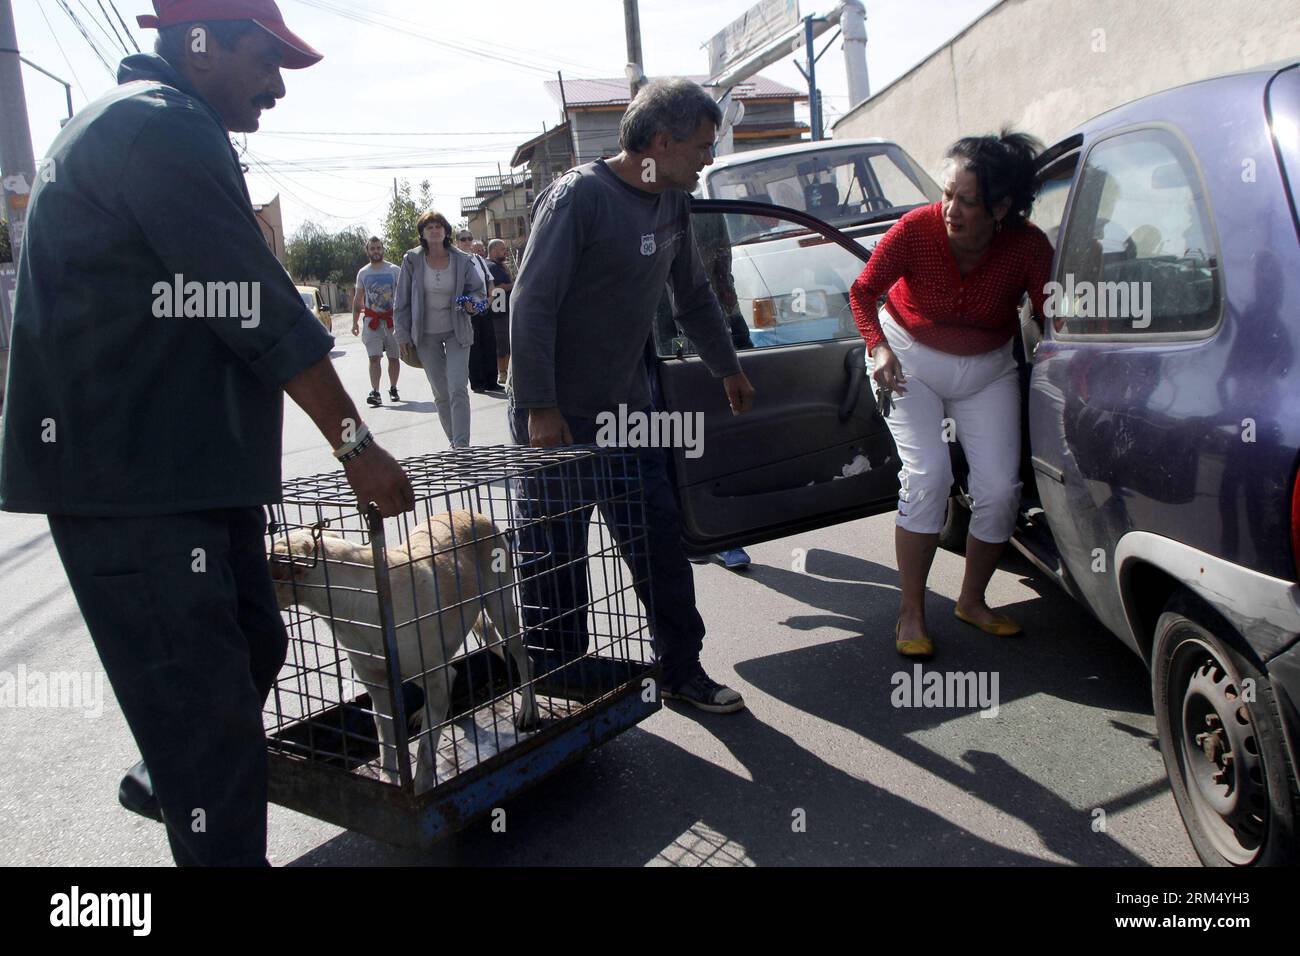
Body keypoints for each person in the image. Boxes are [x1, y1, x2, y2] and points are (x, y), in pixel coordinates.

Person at [0, 0, 414, 866]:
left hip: (187, 473)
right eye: (265, 63)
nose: (276, 88)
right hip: (134, 485)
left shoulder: (170, 125)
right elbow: (257, 303)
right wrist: (354, 447)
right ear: (202, 45)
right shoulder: (157, 130)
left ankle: (169, 771)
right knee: (210, 724)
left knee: (256, 641)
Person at [508, 77, 755, 713]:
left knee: (659, 545)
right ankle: (560, 682)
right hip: (557, 417)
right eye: (702, 145)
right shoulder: (578, 198)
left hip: (630, 415)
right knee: (554, 557)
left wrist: (727, 366)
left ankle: (682, 668)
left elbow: (694, 296)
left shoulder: (672, 199)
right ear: (662, 141)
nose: (708, 157)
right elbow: (531, 304)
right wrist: (539, 405)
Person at [847, 128, 1053, 658]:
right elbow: (864, 291)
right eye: (946, 194)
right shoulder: (916, 229)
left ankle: (973, 600)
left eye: (966, 201)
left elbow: (1054, 313)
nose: (949, 210)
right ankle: (911, 612)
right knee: (928, 477)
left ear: (1002, 206)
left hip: (987, 371)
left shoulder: (1028, 246)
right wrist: (878, 349)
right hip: (909, 361)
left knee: (1001, 490)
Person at [393, 210, 487, 447]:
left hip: (457, 331)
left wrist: (471, 303)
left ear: (446, 231)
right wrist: (402, 334)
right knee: (441, 393)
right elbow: (401, 300)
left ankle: (463, 448)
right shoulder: (411, 260)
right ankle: (454, 441)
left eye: (438, 226)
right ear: (422, 234)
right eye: (429, 227)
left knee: (457, 387)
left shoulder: (462, 259)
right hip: (425, 336)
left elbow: (478, 290)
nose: (434, 230)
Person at [351, 236, 402, 406]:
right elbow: (358, 299)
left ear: (383, 249)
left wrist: (406, 320)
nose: (376, 251)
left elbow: (404, 296)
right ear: (368, 251)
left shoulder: (394, 270)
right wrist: (354, 323)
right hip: (372, 321)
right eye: (372, 248)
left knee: (394, 358)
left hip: (392, 321)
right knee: (374, 358)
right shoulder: (363, 273)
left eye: (378, 248)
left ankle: (393, 388)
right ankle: (376, 391)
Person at [457, 231, 500, 392]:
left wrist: (490, 298)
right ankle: (478, 383)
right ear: (457, 242)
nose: (467, 241)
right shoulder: (457, 261)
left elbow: (490, 281)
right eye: (463, 239)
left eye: (469, 238)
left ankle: (492, 381)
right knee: (474, 347)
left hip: (485, 307)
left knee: (490, 344)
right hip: (468, 310)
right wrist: (467, 303)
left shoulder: (479, 260)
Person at [485, 238, 514, 386]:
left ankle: (506, 371)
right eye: (502, 249)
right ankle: (502, 372)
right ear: (494, 250)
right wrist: (515, 284)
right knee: (501, 342)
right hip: (498, 311)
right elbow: (499, 287)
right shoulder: (491, 267)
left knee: (505, 342)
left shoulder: (499, 266)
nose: (505, 252)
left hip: (503, 310)